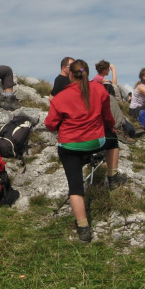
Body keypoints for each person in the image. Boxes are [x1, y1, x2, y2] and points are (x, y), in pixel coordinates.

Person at [44, 59, 127, 244]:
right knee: (112, 136)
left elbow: (50, 124)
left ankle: (83, 229)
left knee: (76, 188)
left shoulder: (60, 98)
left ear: (70, 75)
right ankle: (113, 177)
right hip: (95, 142)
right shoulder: (99, 90)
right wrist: (108, 128)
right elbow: (108, 118)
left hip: (70, 146)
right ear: (87, 73)